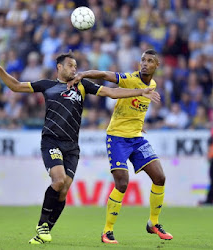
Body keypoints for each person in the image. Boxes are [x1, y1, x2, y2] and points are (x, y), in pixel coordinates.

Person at [0, 52, 160, 244]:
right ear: (59, 67)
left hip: (72, 147)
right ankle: (42, 225)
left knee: (64, 188)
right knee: (58, 181)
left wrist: (139, 91)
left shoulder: (82, 86)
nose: (74, 69)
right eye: (70, 65)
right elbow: (15, 86)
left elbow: (111, 92)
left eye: (76, 66)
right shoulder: (47, 85)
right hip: (51, 141)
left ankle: (44, 232)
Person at [67, 49, 173, 244]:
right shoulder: (130, 79)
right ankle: (107, 231)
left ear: (157, 66)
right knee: (122, 183)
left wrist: (140, 125)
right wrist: (83, 74)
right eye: (143, 60)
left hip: (137, 138)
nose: (145, 63)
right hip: (117, 138)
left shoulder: (154, 84)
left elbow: (138, 109)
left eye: (150, 61)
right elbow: (105, 75)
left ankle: (153, 223)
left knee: (160, 177)